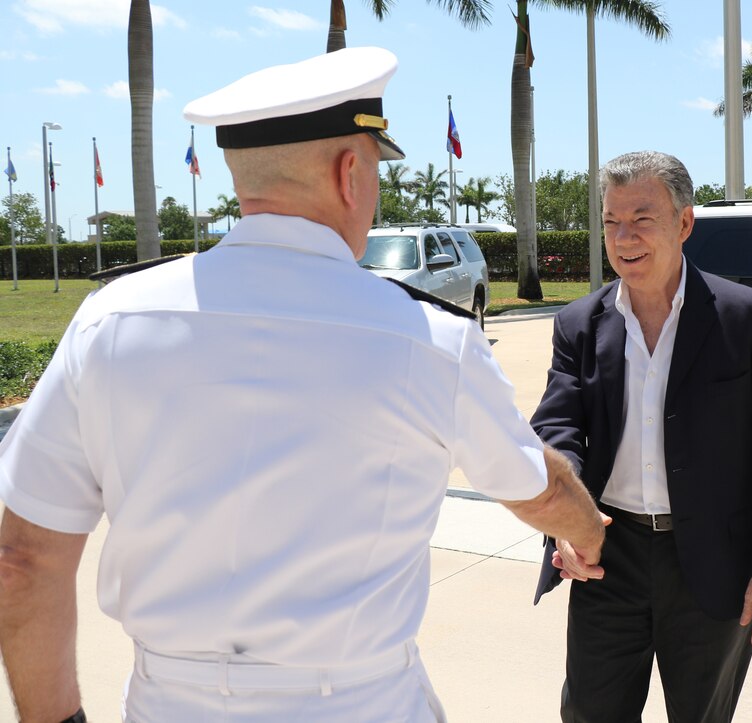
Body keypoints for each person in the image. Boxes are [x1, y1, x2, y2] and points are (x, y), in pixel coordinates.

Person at [0, 47, 605, 722]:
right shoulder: (430, 340)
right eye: (376, 167)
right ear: (351, 173)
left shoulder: (108, 322)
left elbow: (23, 557)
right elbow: (537, 488)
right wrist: (590, 531)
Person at [531, 151, 752, 721]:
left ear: (685, 223)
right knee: (589, 712)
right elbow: (559, 430)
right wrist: (565, 524)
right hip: (607, 553)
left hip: (715, 563)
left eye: (642, 218)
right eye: (611, 220)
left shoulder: (749, 319)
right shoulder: (578, 325)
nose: (623, 236)